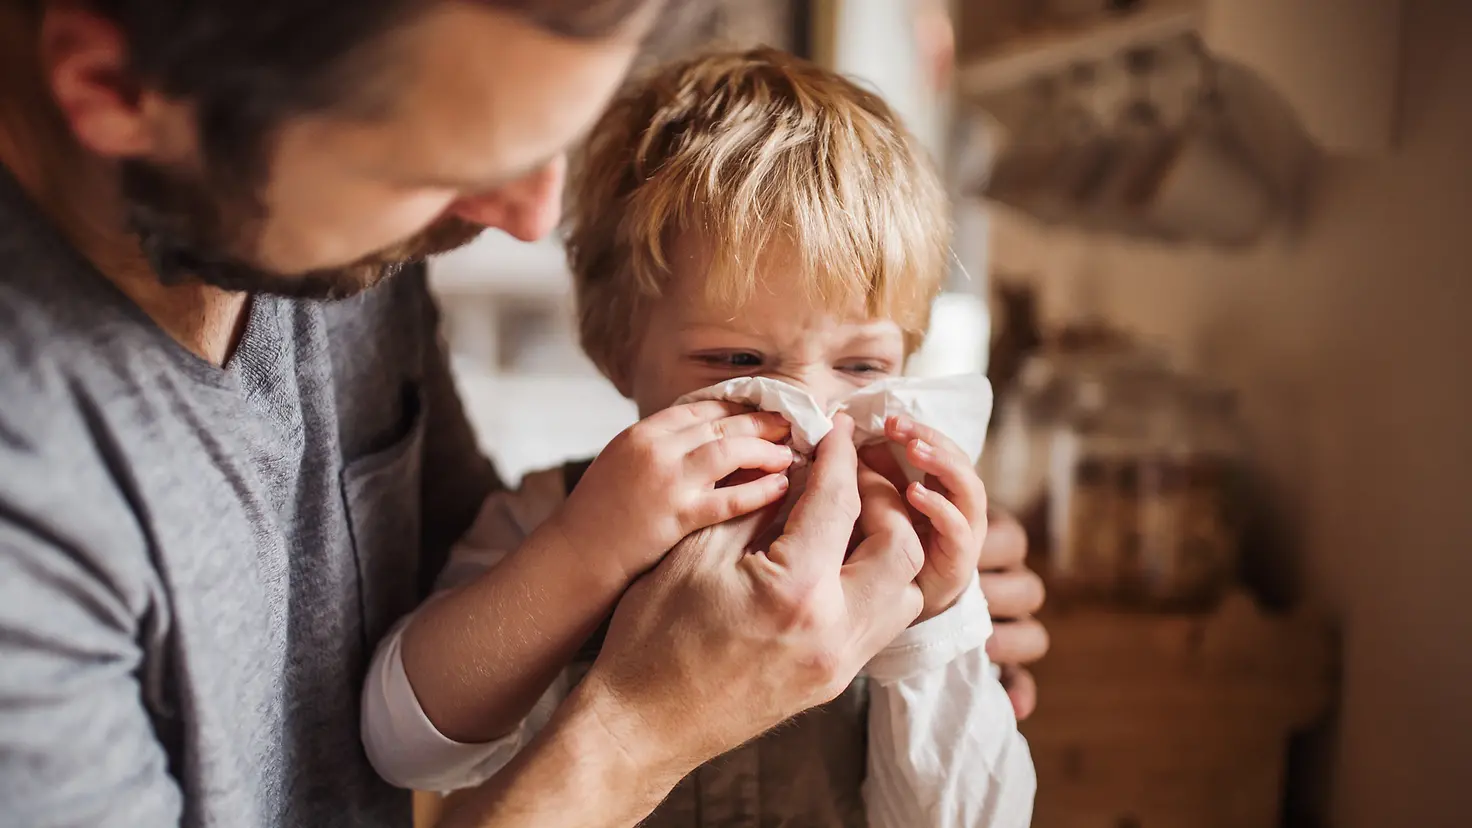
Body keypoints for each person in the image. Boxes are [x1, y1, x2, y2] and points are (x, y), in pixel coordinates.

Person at [0, 2, 1047, 827]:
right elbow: (409, 726)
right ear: (117, 93)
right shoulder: (32, 514)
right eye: (439, 162)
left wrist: (941, 621)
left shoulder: (338, 244)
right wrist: (642, 713)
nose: (529, 219)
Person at [362, 47, 1036, 828]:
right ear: (620, 350)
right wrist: (586, 551)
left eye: (861, 365)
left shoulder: (901, 553)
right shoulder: (553, 517)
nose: (809, 414)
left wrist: (939, 620)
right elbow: (404, 749)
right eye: (739, 362)